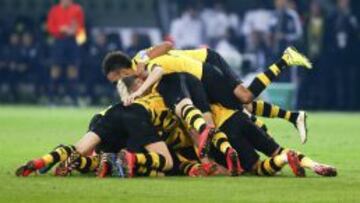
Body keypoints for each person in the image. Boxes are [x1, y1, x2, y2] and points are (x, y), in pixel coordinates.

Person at [46, 0, 85, 104]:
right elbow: (50, 28)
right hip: (59, 41)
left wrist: (73, 30)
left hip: (72, 42)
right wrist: (60, 29)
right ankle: (51, 99)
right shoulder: (54, 10)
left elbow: (80, 27)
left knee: (73, 69)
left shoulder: (77, 9)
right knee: (55, 69)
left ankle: (74, 99)